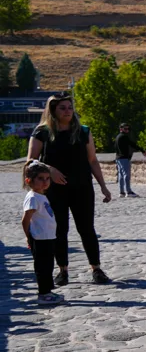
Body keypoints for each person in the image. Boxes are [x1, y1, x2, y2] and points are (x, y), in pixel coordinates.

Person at [27, 95, 113, 286]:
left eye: (69, 107)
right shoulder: (42, 132)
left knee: (87, 229)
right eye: (62, 108)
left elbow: (92, 160)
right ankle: (63, 270)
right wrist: (49, 169)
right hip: (54, 189)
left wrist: (103, 186)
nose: (67, 111)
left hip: (82, 187)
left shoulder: (83, 132)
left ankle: (96, 269)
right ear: (53, 112)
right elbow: (30, 161)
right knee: (59, 230)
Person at [22, 161, 63, 306]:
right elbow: (25, 220)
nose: (45, 182)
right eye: (40, 179)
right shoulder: (33, 197)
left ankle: (48, 291)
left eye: (47, 178)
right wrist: (29, 237)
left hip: (48, 237)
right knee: (42, 267)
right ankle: (43, 294)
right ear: (29, 180)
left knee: (48, 265)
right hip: (39, 238)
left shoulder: (41, 195)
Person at [113, 122, 146, 197]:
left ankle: (121, 192)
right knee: (126, 175)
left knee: (121, 175)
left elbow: (115, 147)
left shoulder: (117, 137)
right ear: (121, 129)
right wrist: (142, 150)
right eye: (125, 128)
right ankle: (129, 192)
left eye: (128, 128)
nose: (127, 130)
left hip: (118, 158)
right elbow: (132, 144)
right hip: (124, 158)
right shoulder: (124, 136)